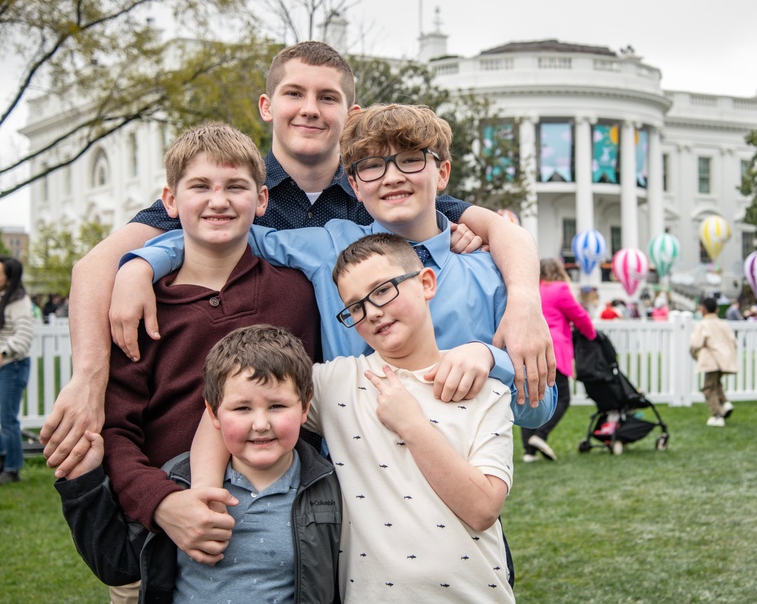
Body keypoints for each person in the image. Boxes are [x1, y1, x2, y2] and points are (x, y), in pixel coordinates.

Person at [40, 40, 554, 480]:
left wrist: (520, 310)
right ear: (268, 105)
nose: (310, 108)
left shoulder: (389, 200)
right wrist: (142, 262)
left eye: (327, 97)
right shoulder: (236, 183)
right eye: (295, 94)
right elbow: (211, 236)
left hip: (454, 479)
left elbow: (502, 232)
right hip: (304, 455)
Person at [116, 104, 554, 429]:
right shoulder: (328, 245)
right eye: (372, 166)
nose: (393, 176)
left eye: (411, 160)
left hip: (459, 493)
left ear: (441, 175)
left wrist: (488, 359)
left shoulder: (490, 273)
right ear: (355, 185)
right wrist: (141, 264)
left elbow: (537, 411)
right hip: (351, 491)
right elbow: (222, 234)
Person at [195, 234, 515, 600]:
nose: (372, 312)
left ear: (426, 283)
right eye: (356, 306)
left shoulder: (485, 391)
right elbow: (228, 402)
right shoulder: (337, 383)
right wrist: (206, 495)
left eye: (382, 290)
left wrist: (412, 425)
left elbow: (483, 509)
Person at [99, 123, 322, 603]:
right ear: (171, 200)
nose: (218, 201)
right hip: (159, 547)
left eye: (235, 187)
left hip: (282, 546)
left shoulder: (296, 294)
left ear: (261, 200)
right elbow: (115, 429)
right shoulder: (137, 306)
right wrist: (162, 504)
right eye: (200, 186)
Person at [57, 325, 341, 602]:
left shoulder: (329, 489)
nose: (261, 424)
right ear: (213, 413)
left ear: (304, 407)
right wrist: (84, 480)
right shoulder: (178, 483)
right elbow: (117, 564)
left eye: (277, 406)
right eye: (242, 408)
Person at [522, 258, 596, 462]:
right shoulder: (560, 289)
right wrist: (591, 335)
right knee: (562, 397)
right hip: (553, 348)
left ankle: (529, 450)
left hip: (529, 347)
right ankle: (540, 435)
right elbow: (580, 316)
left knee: (530, 397)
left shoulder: (530, 289)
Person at [0, 257, 35, 485]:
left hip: (11, 366)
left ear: (9, 277)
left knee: (7, 419)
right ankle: (3, 461)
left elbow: (23, 338)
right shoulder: (3, 299)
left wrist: (2, 355)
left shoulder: (19, 301)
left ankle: (12, 469)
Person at [689, 297, 737, 427]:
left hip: (711, 360)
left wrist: (695, 352)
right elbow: (733, 341)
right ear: (717, 309)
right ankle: (725, 403)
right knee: (716, 384)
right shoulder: (723, 324)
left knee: (708, 388)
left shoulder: (702, 325)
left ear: (702, 309)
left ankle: (717, 415)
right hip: (724, 359)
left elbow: (695, 343)